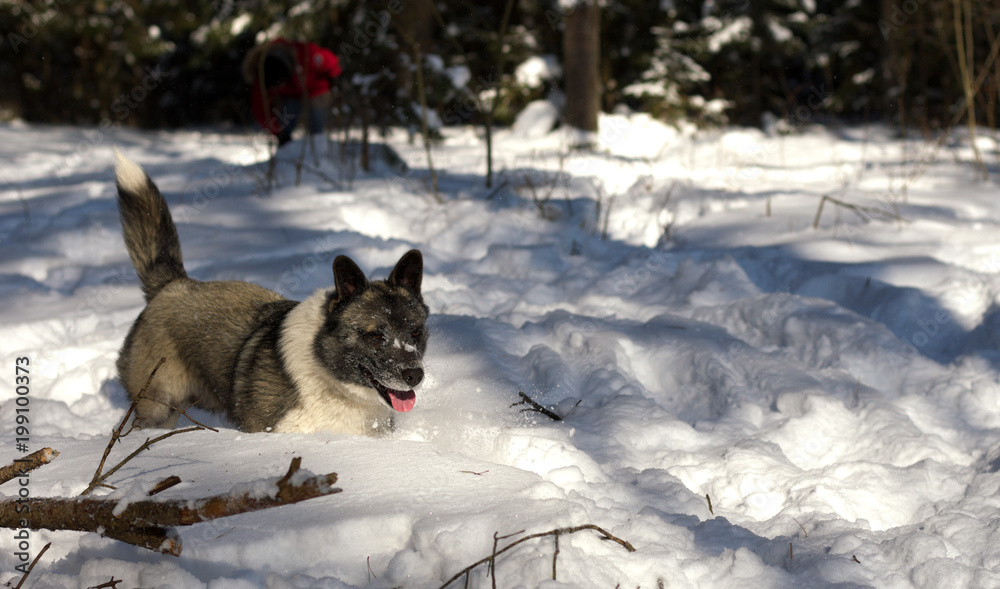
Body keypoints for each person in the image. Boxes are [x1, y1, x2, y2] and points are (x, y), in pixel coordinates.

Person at [242, 39, 342, 146]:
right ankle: (285, 145)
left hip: (316, 87)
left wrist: (334, 77)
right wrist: (276, 131)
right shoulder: (262, 75)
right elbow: (260, 108)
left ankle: (317, 145)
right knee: (287, 112)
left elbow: (331, 61)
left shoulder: (306, 55)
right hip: (290, 95)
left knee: (317, 118)